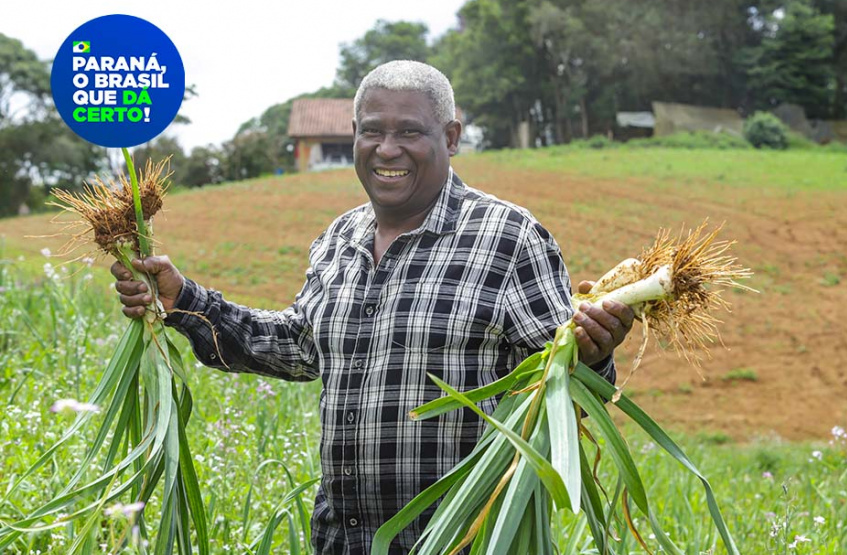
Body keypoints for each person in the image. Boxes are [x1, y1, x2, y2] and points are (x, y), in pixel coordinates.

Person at [112, 60, 634, 554]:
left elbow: (562, 391)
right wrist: (182, 300)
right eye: (372, 131)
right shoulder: (339, 238)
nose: (387, 149)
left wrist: (593, 352)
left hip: (463, 541)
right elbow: (299, 347)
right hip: (342, 540)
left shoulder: (507, 237)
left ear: (450, 137)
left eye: (409, 131)